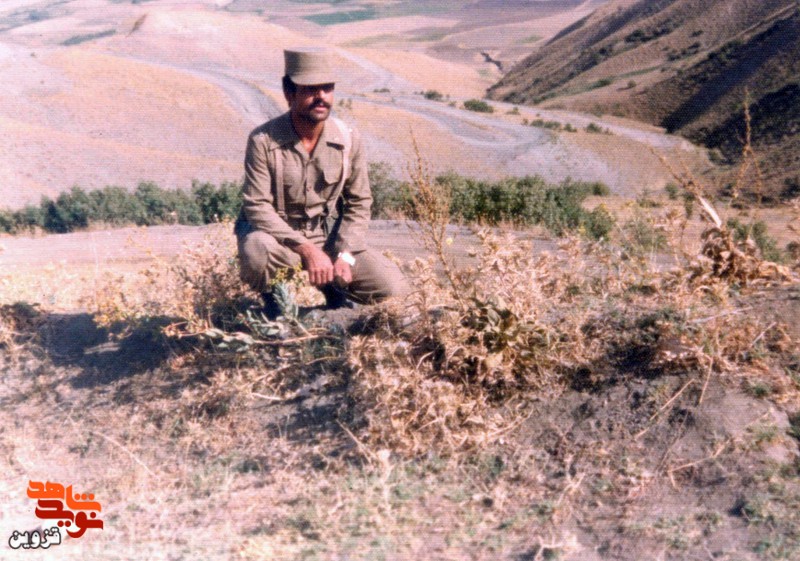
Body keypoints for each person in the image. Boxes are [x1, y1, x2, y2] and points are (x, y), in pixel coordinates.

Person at [235, 47, 409, 318]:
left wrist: (344, 254)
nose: (321, 97)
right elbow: (257, 206)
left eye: (327, 88)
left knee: (394, 289)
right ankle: (274, 301)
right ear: (289, 93)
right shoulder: (263, 141)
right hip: (281, 240)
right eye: (310, 89)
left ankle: (334, 289)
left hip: (330, 240)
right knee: (257, 251)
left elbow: (360, 202)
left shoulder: (348, 139)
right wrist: (307, 250)